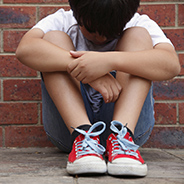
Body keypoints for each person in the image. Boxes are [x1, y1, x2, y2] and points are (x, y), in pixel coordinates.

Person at [16, 0, 180, 177]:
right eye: (92, 30)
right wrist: (81, 67)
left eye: (111, 33)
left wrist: (109, 61)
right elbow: (25, 50)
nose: (101, 38)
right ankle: (83, 135)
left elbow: (171, 65)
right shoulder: (62, 20)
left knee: (139, 36)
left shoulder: (138, 22)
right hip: (69, 132)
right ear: (77, 14)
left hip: (130, 128)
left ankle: (122, 139)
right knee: (52, 39)